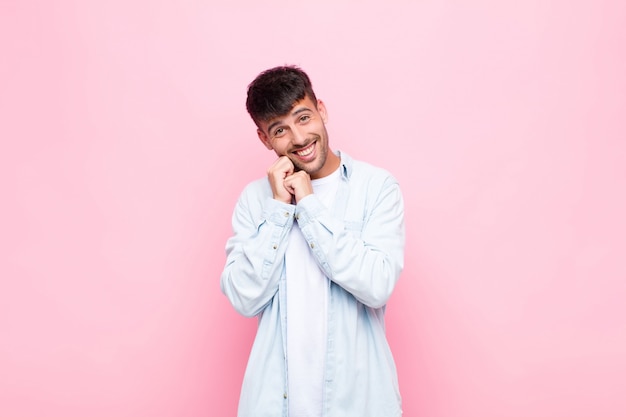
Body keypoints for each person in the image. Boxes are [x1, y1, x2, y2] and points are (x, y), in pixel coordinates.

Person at [220, 65, 405, 417]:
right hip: (275, 405)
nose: (299, 138)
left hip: (359, 403)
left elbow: (377, 284)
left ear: (322, 110)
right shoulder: (255, 200)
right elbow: (244, 298)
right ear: (264, 139)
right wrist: (279, 209)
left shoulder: (377, 188)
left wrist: (307, 204)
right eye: (280, 130)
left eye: (304, 118)